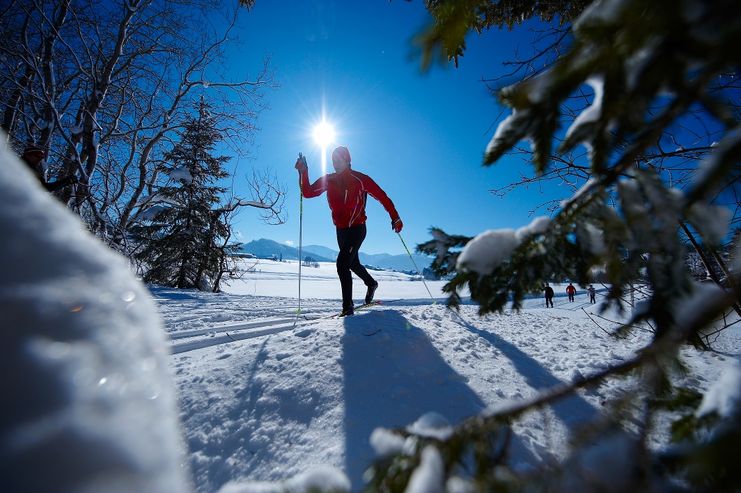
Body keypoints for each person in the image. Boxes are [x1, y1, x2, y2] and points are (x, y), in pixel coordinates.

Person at [295, 145, 402, 316]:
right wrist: (304, 171)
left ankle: (347, 307)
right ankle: (371, 283)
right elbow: (307, 192)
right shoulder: (328, 179)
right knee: (352, 263)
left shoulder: (360, 179)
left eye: (339, 160)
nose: (336, 164)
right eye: (333, 161)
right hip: (341, 230)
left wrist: (395, 217)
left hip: (357, 228)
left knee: (342, 264)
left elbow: (382, 196)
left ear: (347, 160)